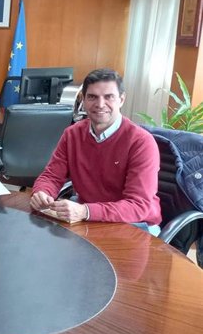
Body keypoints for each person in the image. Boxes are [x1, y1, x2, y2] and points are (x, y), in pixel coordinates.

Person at [30, 68, 162, 234]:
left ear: (121, 100)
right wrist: (42, 192)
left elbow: (138, 206)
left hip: (135, 224)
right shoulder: (72, 134)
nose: (100, 104)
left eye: (109, 97)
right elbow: (52, 176)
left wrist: (86, 211)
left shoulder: (141, 142)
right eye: (92, 97)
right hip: (90, 220)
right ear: (83, 100)